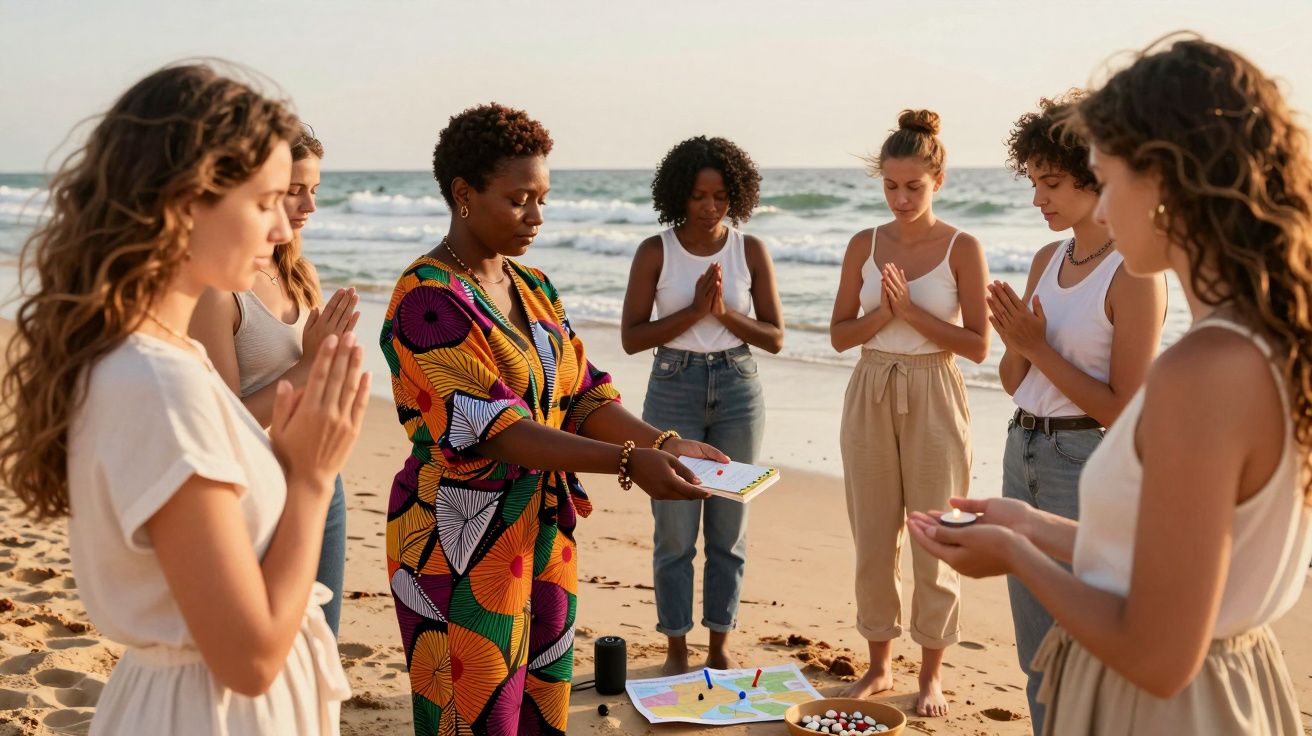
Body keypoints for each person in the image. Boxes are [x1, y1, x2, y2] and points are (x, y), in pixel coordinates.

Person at [908, 35, 1312, 735]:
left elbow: (1159, 655)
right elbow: (1173, 571)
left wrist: (1017, 555)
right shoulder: (1260, 343)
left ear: (1163, 182)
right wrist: (1030, 525)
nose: (1103, 207)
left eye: (1106, 178)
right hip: (1229, 690)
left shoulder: (1204, 370)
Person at [0, 64, 369, 734]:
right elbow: (249, 659)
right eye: (266, 202)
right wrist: (311, 478)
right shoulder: (156, 385)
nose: (281, 230)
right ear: (187, 201)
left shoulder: (164, 362)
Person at [383, 103, 728, 735]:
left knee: (541, 707)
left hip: (541, 533)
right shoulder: (427, 299)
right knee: (477, 716)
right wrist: (629, 462)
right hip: (457, 539)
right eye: (519, 200)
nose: (536, 217)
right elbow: (498, 430)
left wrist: (667, 442)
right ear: (463, 194)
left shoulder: (534, 287)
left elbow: (585, 396)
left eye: (542, 199)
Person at [992, 93, 1166, 733]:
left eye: (1053, 183)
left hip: (1085, 462)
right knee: (1035, 650)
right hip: (1022, 449)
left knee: (1086, 647)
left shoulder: (1135, 274)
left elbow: (1125, 409)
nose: (1039, 199)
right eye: (1034, 183)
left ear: (1096, 176)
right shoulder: (1047, 260)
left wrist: (1038, 347)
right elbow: (1015, 382)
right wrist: (1018, 345)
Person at [829, 109, 990, 717]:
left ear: (938, 181)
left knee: (936, 536)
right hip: (871, 384)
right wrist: (885, 315)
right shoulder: (863, 245)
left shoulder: (963, 247)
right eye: (891, 186)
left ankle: (931, 676)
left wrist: (912, 314)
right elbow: (840, 335)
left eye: (914, 187)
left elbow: (978, 345)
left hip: (935, 390)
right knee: (873, 537)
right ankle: (877, 666)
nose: (901, 198)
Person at [619, 136, 783, 675]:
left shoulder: (749, 250)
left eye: (720, 196)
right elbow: (632, 337)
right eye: (697, 196)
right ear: (678, 195)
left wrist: (723, 314)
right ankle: (676, 648)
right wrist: (694, 312)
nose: (710, 207)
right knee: (674, 530)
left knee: (729, 530)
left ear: (736, 195)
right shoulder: (656, 251)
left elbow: (774, 336)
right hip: (673, 386)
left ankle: (719, 645)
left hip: (738, 388)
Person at [190, 125, 360, 636]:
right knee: (269, 640)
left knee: (322, 639)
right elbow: (227, 422)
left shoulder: (299, 273)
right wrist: (308, 365)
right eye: (294, 190)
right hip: (258, 488)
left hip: (320, 475)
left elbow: (313, 379)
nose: (310, 205)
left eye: (315, 190)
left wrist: (332, 367)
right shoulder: (220, 291)